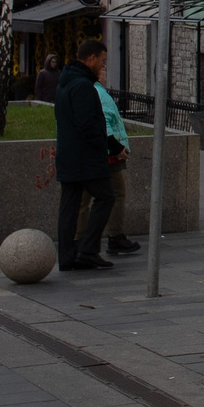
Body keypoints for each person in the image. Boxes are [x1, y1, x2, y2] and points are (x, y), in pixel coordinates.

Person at [52, 40, 122, 271]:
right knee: (106, 197)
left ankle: (67, 257)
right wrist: (109, 145)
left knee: (69, 207)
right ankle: (88, 250)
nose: (103, 66)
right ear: (90, 58)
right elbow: (88, 124)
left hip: (69, 155)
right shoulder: (82, 85)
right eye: (102, 61)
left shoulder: (66, 81)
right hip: (85, 157)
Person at [93, 73, 141, 257]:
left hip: (104, 153)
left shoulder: (95, 89)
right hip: (108, 155)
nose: (106, 69)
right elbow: (104, 122)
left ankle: (85, 238)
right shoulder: (97, 91)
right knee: (116, 194)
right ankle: (114, 237)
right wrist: (116, 147)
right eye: (103, 63)